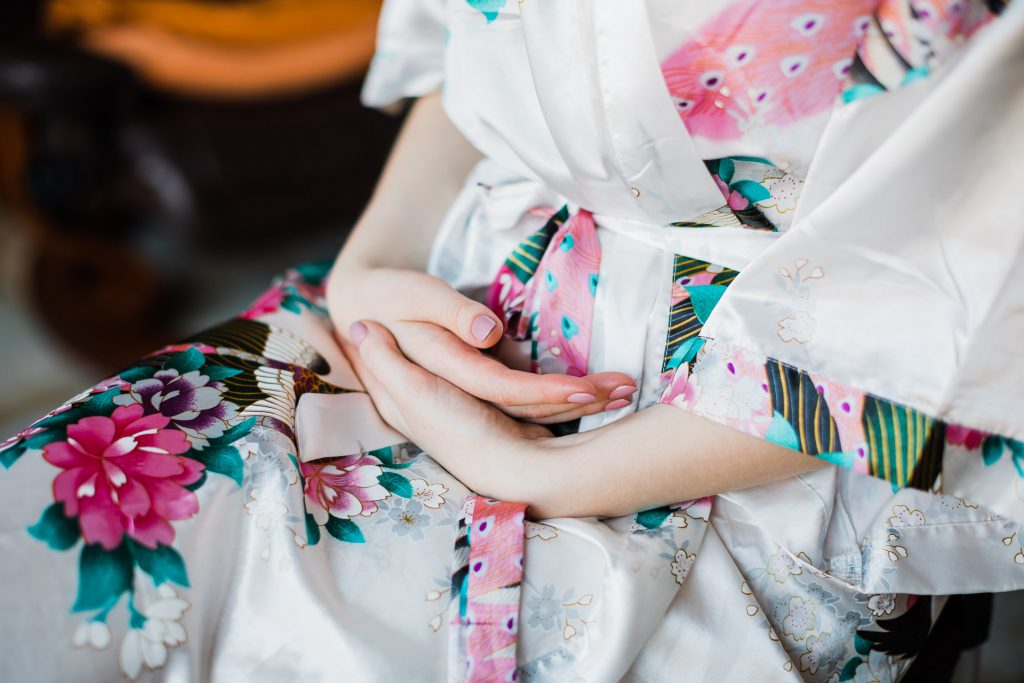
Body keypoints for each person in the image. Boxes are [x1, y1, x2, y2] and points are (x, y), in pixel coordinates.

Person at [2, 0, 1022, 680]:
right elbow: (474, 38)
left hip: (742, 426)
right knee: (59, 536)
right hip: (456, 279)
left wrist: (534, 472)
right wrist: (375, 263)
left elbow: (932, 321)